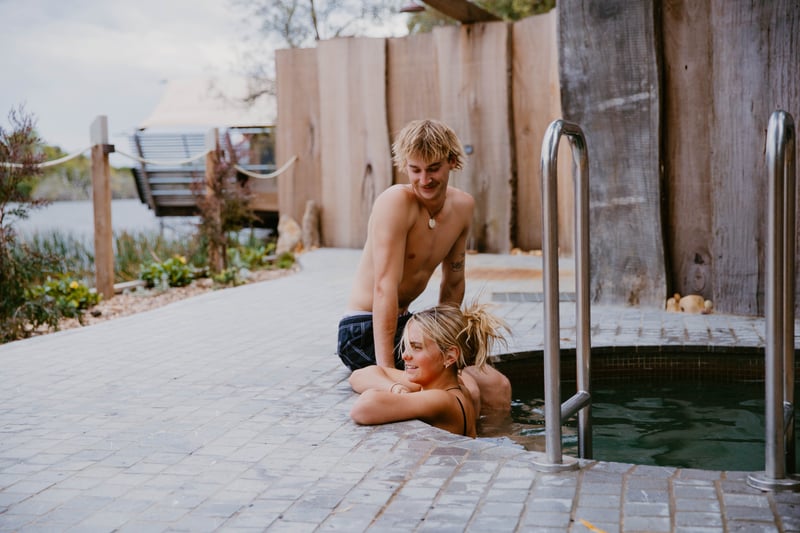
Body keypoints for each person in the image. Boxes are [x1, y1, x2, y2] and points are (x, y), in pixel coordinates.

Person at [336, 118, 511, 415]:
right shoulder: (396, 203)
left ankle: (491, 445)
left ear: (452, 162)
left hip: (408, 323)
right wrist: (388, 372)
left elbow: (453, 282)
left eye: (433, 169)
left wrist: (448, 340)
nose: (424, 180)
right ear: (405, 165)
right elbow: (384, 287)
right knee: (458, 388)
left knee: (496, 386)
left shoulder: (463, 207)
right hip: (364, 328)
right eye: (415, 170)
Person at [349, 303, 509, 437]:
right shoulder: (450, 385)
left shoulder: (442, 400)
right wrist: (395, 388)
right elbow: (359, 375)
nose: (405, 356)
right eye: (406, 347)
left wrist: (396, 394)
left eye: (416, 347)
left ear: (450, 357)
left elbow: (363, 408)